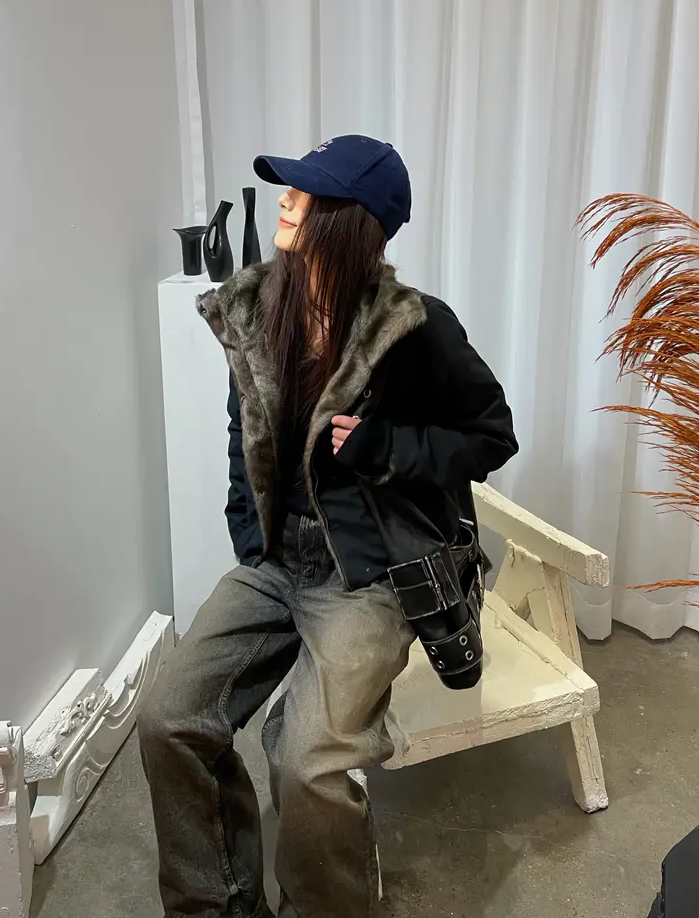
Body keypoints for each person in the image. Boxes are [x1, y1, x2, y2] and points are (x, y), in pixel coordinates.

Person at [139, 134, 518, 918]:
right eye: (290, 188)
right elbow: (244, 434)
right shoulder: (258, 312)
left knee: (307, 762)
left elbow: (492, 435)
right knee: (169, 716)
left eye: (306, 193)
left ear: (349, 221)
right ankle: (216, 904)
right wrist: (250, 535)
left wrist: (388, 447)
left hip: (369, 574)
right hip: (277, 561)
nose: (287, 200)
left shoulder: (414, 329)